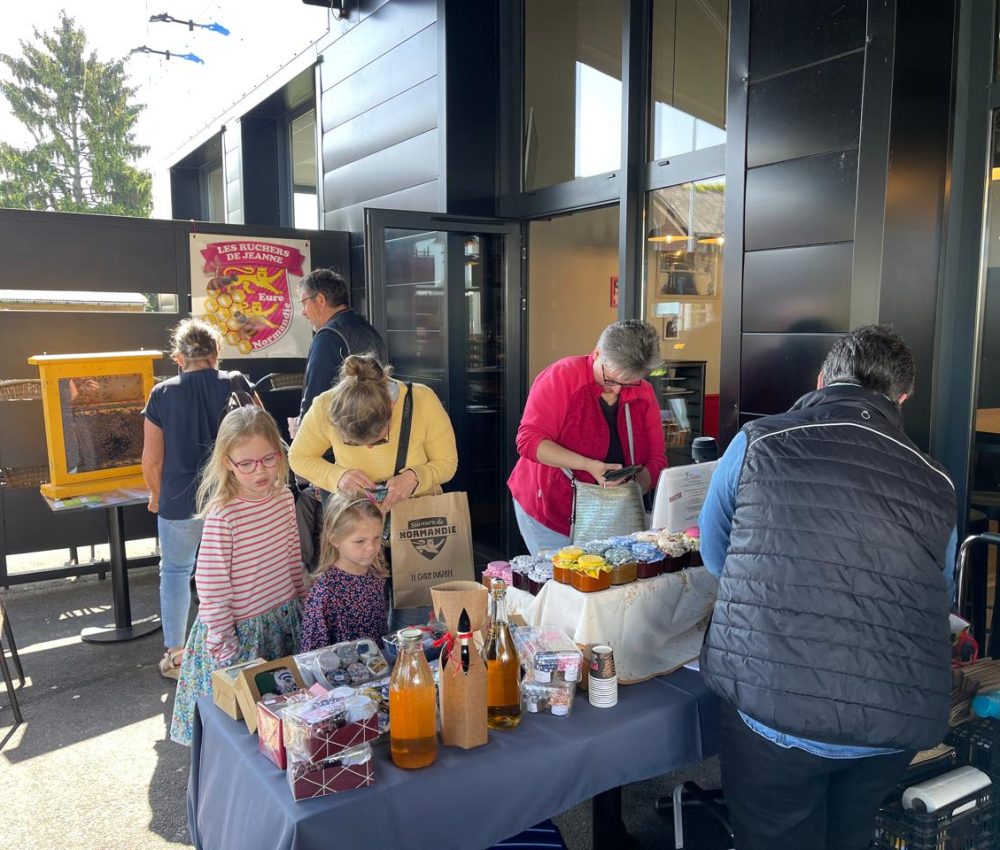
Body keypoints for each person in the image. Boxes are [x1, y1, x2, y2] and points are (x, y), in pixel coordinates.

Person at [697, 325, 958, 850]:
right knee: (850, 835)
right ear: (902, 398)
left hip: (774, 708)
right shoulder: (937, 479)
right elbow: (940, 593)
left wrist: (771, 590)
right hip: (891, 719)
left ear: (822, 378)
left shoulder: (758, 441)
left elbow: (715, 550)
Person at [169, 406, 306, 746]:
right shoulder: (223, 514)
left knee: (283, 719)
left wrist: (302, 602)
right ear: (228, 462)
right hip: (238, 634)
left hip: (281, 620)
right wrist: (224, 646)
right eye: (246, 463)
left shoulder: (285, 498)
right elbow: (213, 588)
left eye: (268, 459)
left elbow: (292, 557)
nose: (259, 471)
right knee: (240, 729)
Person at [288, 354, 457, 627]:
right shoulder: (325, 406)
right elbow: (298, 458)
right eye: (356, 442)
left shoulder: (422, 401)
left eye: (377, 439)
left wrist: (414, 478)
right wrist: (338, 476)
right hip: (357, 530)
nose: (367, 449)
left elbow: (448, 463)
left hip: (417, 528)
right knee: (360, 624)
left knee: (414, 625)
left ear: (391, 407)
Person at [141, 318, 256, 679]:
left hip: (179, 501)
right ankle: (234, 648)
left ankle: (177, 656)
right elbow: (261, 435)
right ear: (216, 353)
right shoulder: (236, 383)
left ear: (179, 357)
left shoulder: (162, 394)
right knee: (235, 573)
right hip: (232, 497)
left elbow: (152, 459)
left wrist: (157, 496)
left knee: (175, 572)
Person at [507, 319, 668, 554]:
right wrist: (587, 466)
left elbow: (657, 459)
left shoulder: (643, 393)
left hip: (614, 513)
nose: (617, 389)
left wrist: (635, 486)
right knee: (561, 584)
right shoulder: (562, 377)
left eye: (630, 382)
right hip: (550, 508)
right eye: (611, 379)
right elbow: (529, 441)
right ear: (596, 354)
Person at [292, 268, 387, 433]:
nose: (303, 312)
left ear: (320, 300)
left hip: (343, 435)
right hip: (376, 426)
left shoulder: (328, 335)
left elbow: (316, 395)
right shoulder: (367, 328)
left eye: (304, 303)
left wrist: (303, 432)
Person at [299, 491, 388, 652]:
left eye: (376, 538)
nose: (371, 548)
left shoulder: (375, 572)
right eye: (360, 541)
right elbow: (312, 653)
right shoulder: (325, 592)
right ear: (335, 540)